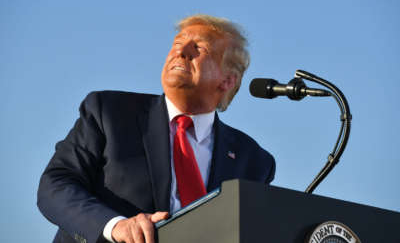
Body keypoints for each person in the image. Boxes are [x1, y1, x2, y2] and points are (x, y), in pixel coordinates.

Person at [37, 14, 275, 243]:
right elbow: (55, 185)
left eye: (198, 49)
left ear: (227, 81)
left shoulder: (253, 160)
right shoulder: (108, 112)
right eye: (178, 43)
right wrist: (115, 226)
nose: (180, 52)